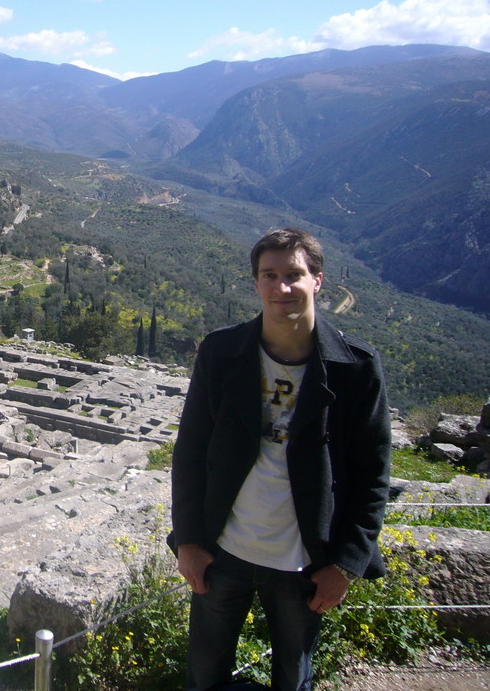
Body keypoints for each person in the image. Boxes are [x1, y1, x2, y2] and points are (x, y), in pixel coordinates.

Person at [169, 228, 391, 691]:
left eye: (294, 275)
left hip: (305, 562)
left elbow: (373, 475)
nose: (282, 287)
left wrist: (347, 563)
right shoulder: (221, 352)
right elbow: (190, 450)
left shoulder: (357, 369)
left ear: (318, 281)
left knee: (294, 679)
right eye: (269, 275)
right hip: (222, 551)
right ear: (255, 283)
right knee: (204, 678)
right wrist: (188, 540)